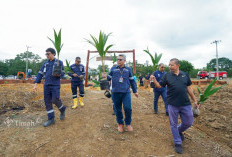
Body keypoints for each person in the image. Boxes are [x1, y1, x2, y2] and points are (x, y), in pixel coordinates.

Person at [150, 58, 201, 154]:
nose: (169, 67)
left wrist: (195, 100)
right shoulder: (167, 75)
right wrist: (154, 80)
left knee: (189, 121)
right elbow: (159, 86)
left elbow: (189, 88)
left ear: (178, 66)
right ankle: (177, 142)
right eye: (169, 65)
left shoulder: (184, 75)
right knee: (173, 123)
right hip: (172, 104)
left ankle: (178, 130)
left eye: (171, 65)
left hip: (185, 103)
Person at [104, 54, 138, 132]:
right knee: (117, 109)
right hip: (115, 92)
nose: (118, 61)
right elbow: (108, 78)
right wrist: (107, 87)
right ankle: (120, 124)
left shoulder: (128, 69)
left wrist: (135, 91)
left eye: (120, 59)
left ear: (124, 61)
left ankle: (128, 123)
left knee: (128, 108)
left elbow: (132, 80)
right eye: (118, 59)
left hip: (126, 92)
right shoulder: (113, 69)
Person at [33, 48, 66, 127]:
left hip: (55, 84)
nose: (47, 55)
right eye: (46, 54)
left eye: (48, 54)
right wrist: (35, 84)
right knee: (47, 101)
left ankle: (62, 109)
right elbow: (40, 74)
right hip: (46, 85)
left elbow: (63, 74)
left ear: (54, 54)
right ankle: (51, 119)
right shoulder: (45, 63)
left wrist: (59, 74)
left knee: (55, 99)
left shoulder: (59, 62)